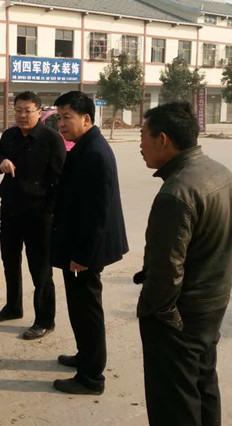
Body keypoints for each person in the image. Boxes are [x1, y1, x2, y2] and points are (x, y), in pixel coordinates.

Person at [136, 102, 232, 426]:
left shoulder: (176, 193)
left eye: (143, 136)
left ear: (163, 139)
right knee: (203, 385)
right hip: (212, 302)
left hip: (182, 314)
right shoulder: (218, 172)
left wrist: (158, 314)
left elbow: (167, 270)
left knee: (174, 401)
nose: (140, 145)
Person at [50, 91, 128, 395]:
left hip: (86, 250)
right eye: (59, 117)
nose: (61, 123)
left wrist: (82, 256)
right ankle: (85, 356)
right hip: (79, 245)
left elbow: (96, 213)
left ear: (86, 118)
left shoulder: (94, 153)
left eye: (67, 117)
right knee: (79, 306)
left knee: (87, 309)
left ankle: (91, 377)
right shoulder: (85, 145)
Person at [0, 91, 66, 341]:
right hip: (11, 210)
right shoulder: (9, 136)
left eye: (27, 110)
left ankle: (45, 319)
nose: (22, 115)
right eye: (18, 110)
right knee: (10, 262)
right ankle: (13, 307)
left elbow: (59, 180)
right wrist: (1, 162)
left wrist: (49, 212)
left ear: (39, 112)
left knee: (40, 270)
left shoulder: (51, 139)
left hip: (38, 215)